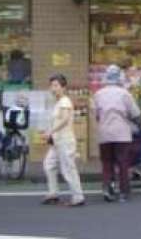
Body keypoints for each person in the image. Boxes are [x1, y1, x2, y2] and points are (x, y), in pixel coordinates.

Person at [93, 64, 141, 203]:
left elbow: (96, 115)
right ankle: (123, 192)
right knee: (123, 163)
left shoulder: (98, 94)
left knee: (107, 162)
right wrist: (139, 124)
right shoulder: (124, 94)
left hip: (104, 133)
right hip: (122, 134)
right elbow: (135, 113)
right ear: (119, 77)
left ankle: (107, 188)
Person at [42, 74, 85, 207]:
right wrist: (50, 133)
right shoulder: (58, 102)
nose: (53, 88)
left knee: (68, 169)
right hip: (57, 142)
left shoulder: (65, 101)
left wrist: (51, 131)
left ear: (63, 87)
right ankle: (53, 193)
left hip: (65, 141)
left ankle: (78, 196)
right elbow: (57, 120)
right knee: (49, 164)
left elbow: (65, 119)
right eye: (51, 86)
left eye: (56, 85)